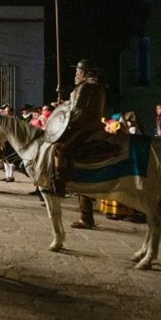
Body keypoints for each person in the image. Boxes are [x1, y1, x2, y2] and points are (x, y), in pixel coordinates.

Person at [53, 59, 108, 228]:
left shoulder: (85, 87)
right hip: (93, 126)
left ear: (85, 73)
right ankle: (86, 216)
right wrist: (63, 104)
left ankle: (60, 183)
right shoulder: (96, 86)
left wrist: (64, 116)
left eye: (78, 71)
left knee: (59, 148)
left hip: (85, 127)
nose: (76, 74)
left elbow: (77, 111)